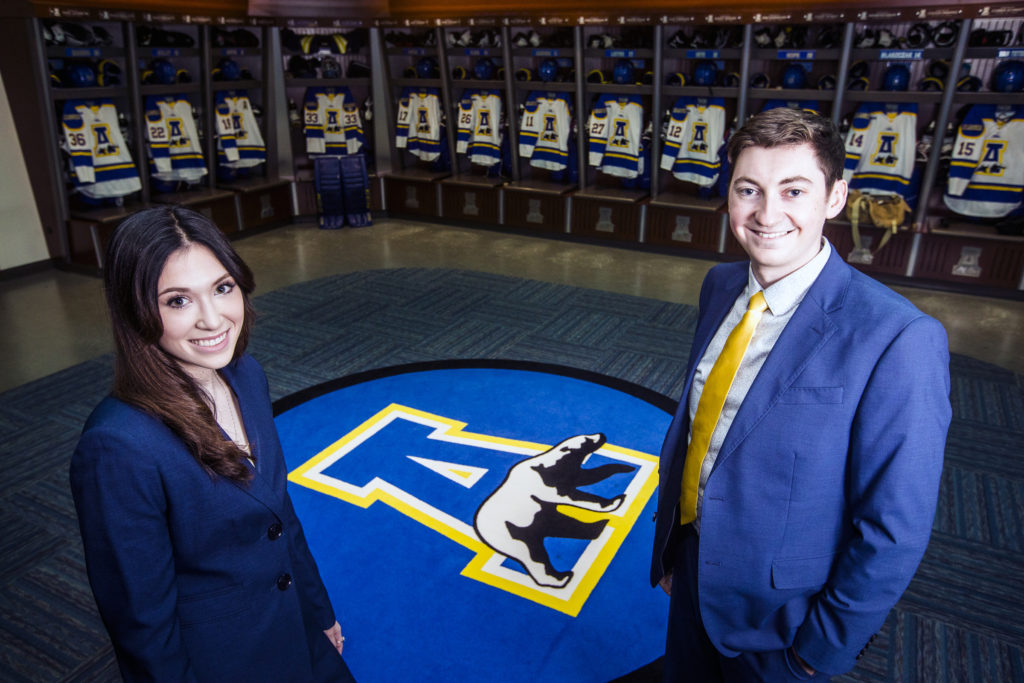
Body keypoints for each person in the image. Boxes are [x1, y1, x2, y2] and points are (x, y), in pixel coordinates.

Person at [650, 107, 951, 681]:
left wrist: (818, 651)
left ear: (835, 197)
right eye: (748, 189)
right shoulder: (719, 285)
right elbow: (704, 433)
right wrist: (675, 554)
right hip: (692, 572)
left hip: (784, 626)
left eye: (794, 190)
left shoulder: (899, 338)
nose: (767, 214)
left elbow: (894, 526)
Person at [70, 206, 355, 682]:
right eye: (178, 301)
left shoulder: (247, 374)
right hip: (222, 662)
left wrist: (317, 611)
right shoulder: (117, 447)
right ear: (135, 309)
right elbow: (141, 622)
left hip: (293, 627)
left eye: (222, 288)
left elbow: (279, 515)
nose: (212, 319)